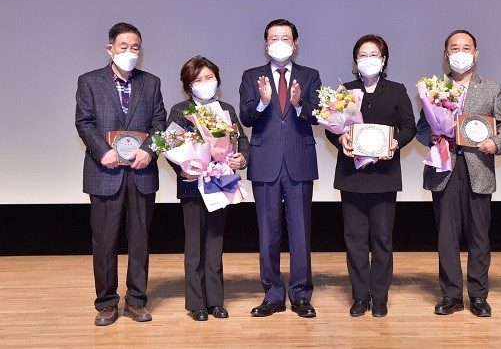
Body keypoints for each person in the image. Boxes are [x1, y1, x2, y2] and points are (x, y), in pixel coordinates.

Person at [416, 30, 501, 317]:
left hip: (478, 168)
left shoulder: (492, 88)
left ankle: (478, 295)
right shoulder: (434, 88)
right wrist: (429, 136)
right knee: (446, 237)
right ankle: (451, 294)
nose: (460, 53)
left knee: (479, 236)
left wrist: (495, 142)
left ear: (476, 53)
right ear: (446, 54)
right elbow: (422, 127)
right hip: (444, 167)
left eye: (466, 48)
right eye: (454, 48)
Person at [75, 22, 167, 326]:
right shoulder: (90, 81)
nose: (130, 52)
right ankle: (106, 303)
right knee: (104, 241)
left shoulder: (151, 83)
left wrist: (149, 150)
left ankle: (137, 301)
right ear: (110, 48)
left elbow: (160, 123)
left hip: (142, 173)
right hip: (105, 171)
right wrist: (103, 151)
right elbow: (84, 122)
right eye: (123, 46)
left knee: (140, 239)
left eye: (135, 47)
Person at [325, 34, 416, 317]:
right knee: (354, 239)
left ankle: (379, 297)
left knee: (382, 240)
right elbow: (332, 128)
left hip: (384, 175)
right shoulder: (345, 91)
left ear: (384, 59)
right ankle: (359, 296)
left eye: (374, 54)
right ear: (355, 61)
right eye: (362, 55)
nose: (368, 59)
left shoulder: (396, 90)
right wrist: (340, 139)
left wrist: (395, 143)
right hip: (351, 175)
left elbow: (409, 127)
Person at [239, 19, 321, 318]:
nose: (280, 43)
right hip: (265, 162)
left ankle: (301, 294)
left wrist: (299, 104)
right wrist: (262, 103)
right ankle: (272, 294)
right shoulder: (252, 76)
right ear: (265, 44)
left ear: (295, 43)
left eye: (286, 38)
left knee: (300, 233)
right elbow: (246, 117)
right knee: (268, 234)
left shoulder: (310, 75)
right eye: (274, 38)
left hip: (299, 161)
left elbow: (319, 115)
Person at [166, 56, 249, 321]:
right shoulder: (180, 110)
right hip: (193, 185)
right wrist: (185, 168)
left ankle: (215, 301)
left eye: (209, 78)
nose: (205, 83)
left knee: (215, 242)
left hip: (221, 183)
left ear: (217, 80)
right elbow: (170, 146)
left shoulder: (226, 109)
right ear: (188, 85)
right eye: (198, 79)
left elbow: (241, 141)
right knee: (194, 245)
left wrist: (241, 158)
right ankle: (196, 303)